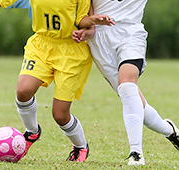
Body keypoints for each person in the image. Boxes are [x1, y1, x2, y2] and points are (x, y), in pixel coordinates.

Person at [0, 0, 114, 162]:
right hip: (41, 45)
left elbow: (82, 20)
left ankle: (81, 146)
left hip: (71, 52)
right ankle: (32, 132)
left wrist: (92, 21)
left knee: (60, 115)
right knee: (23, 91)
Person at [72, 0, 179, 165]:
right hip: (101, 40)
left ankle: (136, 152)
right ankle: (170, 131)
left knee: (127, 84)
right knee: (135, 101)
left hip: (131, 32)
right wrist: (90, 29)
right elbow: (87, 10)